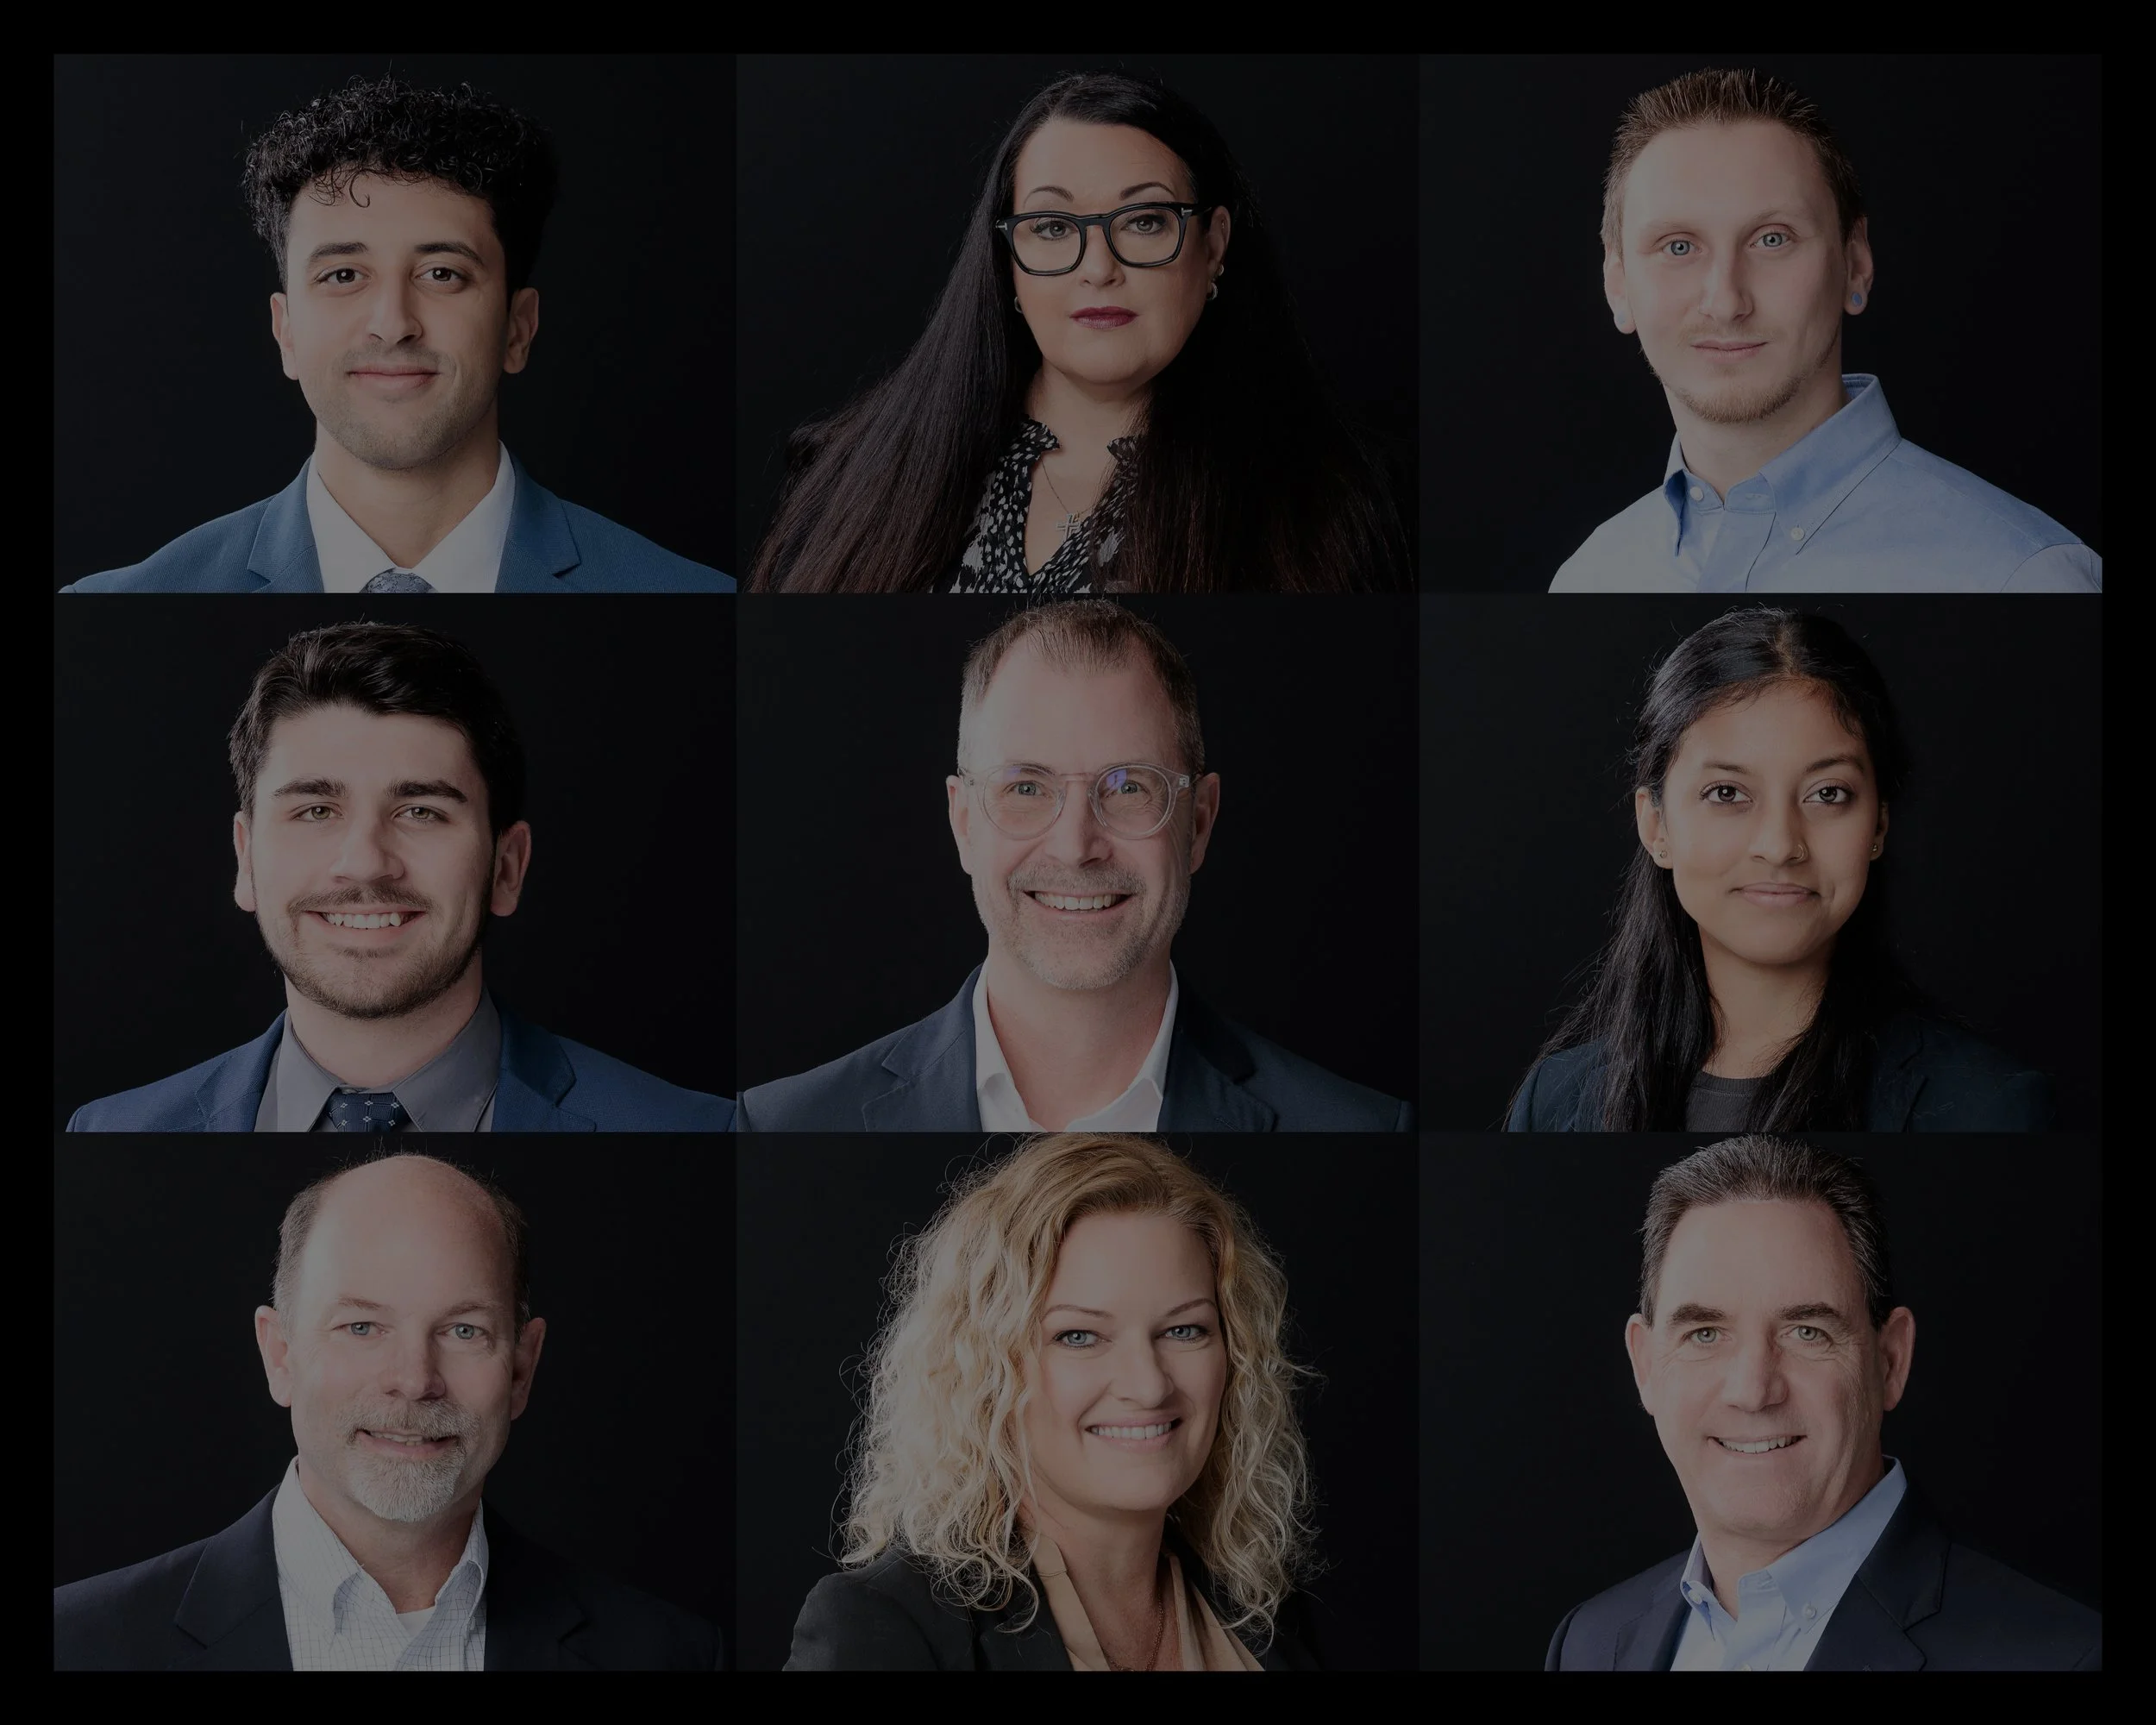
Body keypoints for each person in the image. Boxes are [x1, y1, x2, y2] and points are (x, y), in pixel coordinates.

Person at [736, 601, 1409, 1131]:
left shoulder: (1365, 1126)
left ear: (1199, 823)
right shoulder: (779, 1124)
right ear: (963, 821)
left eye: (1129, 787)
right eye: (1027, 788)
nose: (1075, 845)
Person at [53, 1153, 720, 1671]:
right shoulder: (77, 1644)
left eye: (464, 1331)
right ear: (280, 1354)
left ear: (522, 1368)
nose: (414, 1381)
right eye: (362, 1327)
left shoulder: (673, 1656)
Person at [63, 76, 728, 594]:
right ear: (285, 330)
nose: (393, 323)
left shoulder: (694, 594)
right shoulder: (123, 598)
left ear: (518, 329)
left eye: (442, 274)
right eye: (343, 275)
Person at [750, 72, 1404, 593]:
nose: (1098, 268)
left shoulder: (1324, 507)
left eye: (1144, 221)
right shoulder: (851, 474)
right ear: (1006, 261)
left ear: (1213, 246)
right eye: (1053, 227)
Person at [67, 623, 730, 1132]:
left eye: (420, 812)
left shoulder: (694, 1128)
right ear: (246, 859)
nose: (365, 862)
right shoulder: (108, 1130)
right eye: (315, 810)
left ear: (507, 867)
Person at [1548, 1136, 2100, 1671]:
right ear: (1645, 1366)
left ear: (1889, 1361)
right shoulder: (1589, 1645)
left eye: (1806, 1332)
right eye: (1705, 1334)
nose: (1753, 1391)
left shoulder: (2065, 1658)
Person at [1554, 67, 2099, 594]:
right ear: (1617, 285)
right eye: (1678, 247)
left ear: (1855, 264)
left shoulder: (2024, 577)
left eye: (1772, 239)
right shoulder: (1587, 577)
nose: (1726, 303)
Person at [787, 1132, 1320, 1670]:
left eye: (1184, 1330)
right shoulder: (882, 1626)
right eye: (1079, 1336)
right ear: (988, 1369)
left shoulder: (1268, 1613)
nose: (1149, 1386)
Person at [1509, 606, 2049, 1132]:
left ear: (1878, 825)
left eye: (1827, 794)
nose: (1779, 845)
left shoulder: (1988, 1107)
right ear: (1655, 826)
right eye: (1727, 793)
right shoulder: (1556, 1100)